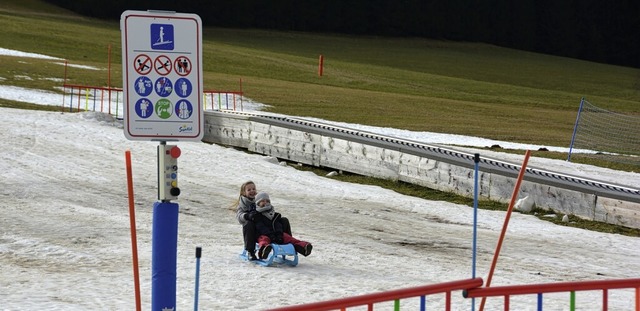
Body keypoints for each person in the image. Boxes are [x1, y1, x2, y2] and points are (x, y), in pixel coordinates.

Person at [234, 181, 292, 260]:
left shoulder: (261, 198)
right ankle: (250, 251)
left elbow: (270, 209)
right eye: (249, 190)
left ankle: (287, 244)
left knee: (283, 220)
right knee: (248, 223)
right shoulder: (243, 204)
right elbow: (239, 216)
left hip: (267, 227)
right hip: (255, 232)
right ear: (244, 193)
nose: (252, 191)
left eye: (253, 189)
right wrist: (247, 216)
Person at [253, 192, 312, 260]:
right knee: (264, 240)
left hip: (277, 235)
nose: (265, 203)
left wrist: (279, 235)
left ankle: (304, 247)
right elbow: (260, 227)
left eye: (267, 201)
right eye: (262, 201)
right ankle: (264, 250)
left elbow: (278, 225)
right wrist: (270, 235)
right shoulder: (257, 215)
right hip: (264, 235)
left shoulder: (275, 215)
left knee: (290, 239)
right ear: (257, 203)